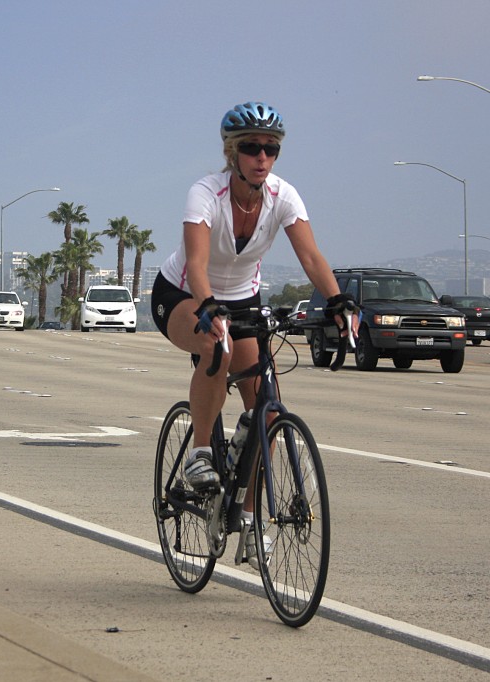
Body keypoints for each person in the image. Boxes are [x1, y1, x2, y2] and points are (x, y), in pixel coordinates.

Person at [150, 101, 353, 567]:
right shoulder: (206, 193)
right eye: (252, 148)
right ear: (232, 152)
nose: (262, 156)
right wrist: (208, 308)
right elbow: (197, 265)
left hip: (242, 298)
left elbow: (312, 258)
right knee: (213, 346)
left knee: (266, 411)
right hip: (184, 293)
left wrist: (338, 300)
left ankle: (247, 515)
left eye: (271, 149)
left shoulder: (284, 196)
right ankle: (200, 451)